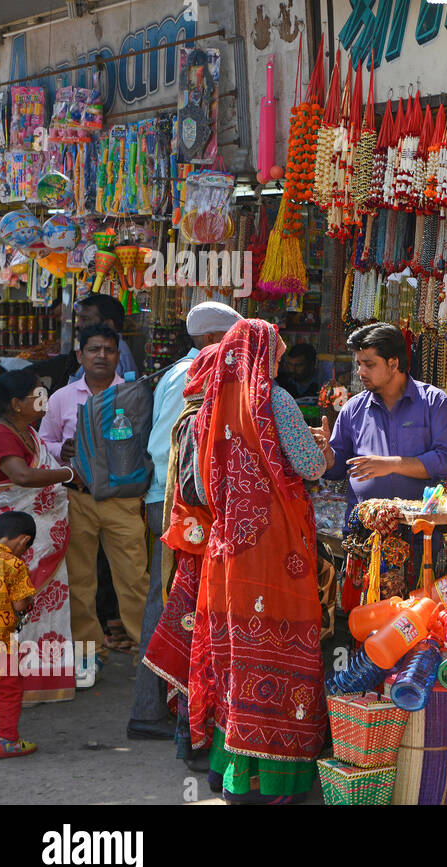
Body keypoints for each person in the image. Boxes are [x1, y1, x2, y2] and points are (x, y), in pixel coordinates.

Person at [188, 319, 333, 803]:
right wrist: (325, 449)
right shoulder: (275, 400)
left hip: (228, 545)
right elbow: (310, 466)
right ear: (263, 355)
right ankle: (272, 780)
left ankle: (229, 771)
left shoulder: (210, 401)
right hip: (275, 546)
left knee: (235, 651)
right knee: (279, 645)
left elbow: (203, 477)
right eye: (275, 353)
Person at [128, 301, 241, 741]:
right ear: (216, 339)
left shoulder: (179, 371)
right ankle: (152, 710)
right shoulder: (198, 375)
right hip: (176, 502)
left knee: (179, 602)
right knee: (172, 604)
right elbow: (175, 449)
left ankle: (175, 711)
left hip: (168, 498)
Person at [41, 324, 149, 689]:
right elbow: (43, 442)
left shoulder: (133, 395)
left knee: (134, 581)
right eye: (93, 349)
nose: (100, 355)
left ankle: (147, 656)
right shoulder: (62, 398)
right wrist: (62, 451)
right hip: (77, 498)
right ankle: (88, 655)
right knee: (80, 582)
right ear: (80, 356)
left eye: (108, 349)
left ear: (118, 356)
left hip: (122, 501)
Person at [142, 343, 221, 771]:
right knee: (195, 636)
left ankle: (188, 736)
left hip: (192, 542)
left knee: (190, 632)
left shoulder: (193, 416)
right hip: (199, 545)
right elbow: (199, 491)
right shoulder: (201, 420)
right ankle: (191, 735)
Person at [0, 373, 75, 704]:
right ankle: (8, 687)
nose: (44, 402)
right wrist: (69, 474)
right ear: (16, 404)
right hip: (13, 542)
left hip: (38, 544)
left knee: (38, 613)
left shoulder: (26, 432)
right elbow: (22, 476)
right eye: (37, 396)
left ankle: (36, 684)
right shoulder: (0, 434)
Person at [322, 323, 447, 519]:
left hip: (418, 533)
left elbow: (446, 461)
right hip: (363, 533)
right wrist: (326, 454)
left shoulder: (434, 403)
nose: (361, 372)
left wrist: (392, 464)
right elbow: (336, 469)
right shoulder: (353, 409)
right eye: (359, 364)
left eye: (369, 365)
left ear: (393, 364)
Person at [0, 511, 40, 758]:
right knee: (7, 691)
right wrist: (29, 597)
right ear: (23, 540)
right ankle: (5, 741)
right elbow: (20, 605)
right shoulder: (14, 564)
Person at [70, 295, 137, 382]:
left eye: (85, 319)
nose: (77, 325)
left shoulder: (112, 355)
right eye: (78, 319)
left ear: (108, 325)